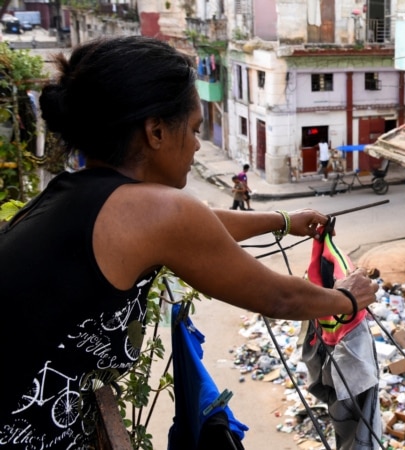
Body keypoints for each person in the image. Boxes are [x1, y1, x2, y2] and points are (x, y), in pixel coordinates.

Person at [0, 36, 377, 450]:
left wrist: (284, 220)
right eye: (195, 129)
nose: (198, 145)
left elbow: (203, 228)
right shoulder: (153, 213)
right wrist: (347, 298)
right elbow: (278, 297)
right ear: (156, 130)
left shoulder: (81, 194)